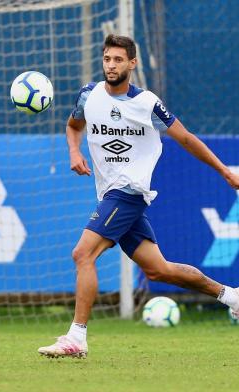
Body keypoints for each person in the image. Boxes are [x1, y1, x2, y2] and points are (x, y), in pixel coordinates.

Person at [38, 34, 239, 359]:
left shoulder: (146, 104)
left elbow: (186, 139)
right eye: (107, 59)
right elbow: (74, 126)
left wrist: (225, 172)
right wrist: (74, 152)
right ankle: (231, 297)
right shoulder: (88, 95)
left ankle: (77, 338)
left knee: (82, 254)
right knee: (159, 270)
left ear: (132, 63)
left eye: (118, 59)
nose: (111, 65)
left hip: (129, 192)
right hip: (110, 194)